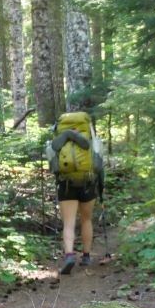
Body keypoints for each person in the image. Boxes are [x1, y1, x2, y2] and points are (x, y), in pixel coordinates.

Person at [49, 113, 104, 275]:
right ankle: (86, 256)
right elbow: (99, 162)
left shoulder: (59, 137)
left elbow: (52, 161)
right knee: (86, 219)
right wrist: (101, 186)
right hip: (88, 181)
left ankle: (69, 255)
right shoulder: (90, 137)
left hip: (66, 183)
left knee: (68, 222)